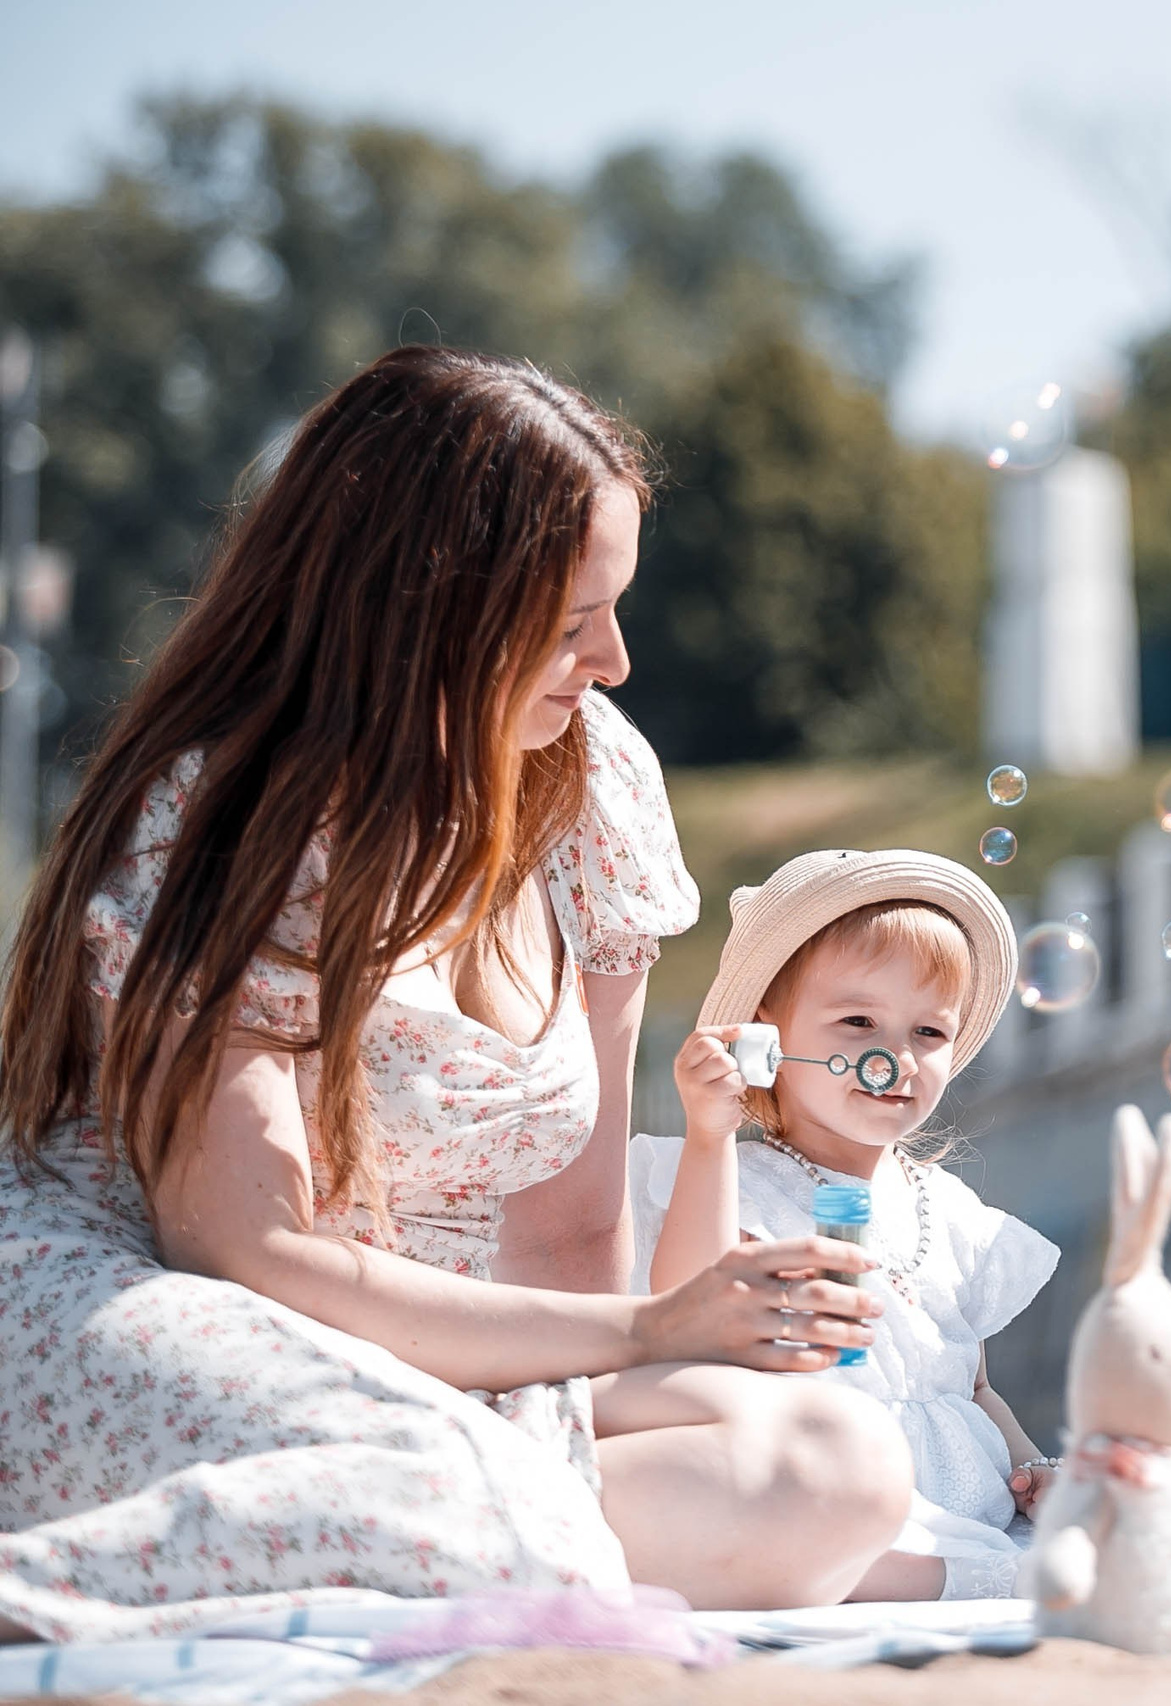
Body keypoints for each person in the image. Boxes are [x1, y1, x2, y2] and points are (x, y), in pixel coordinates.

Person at [0, 348, 912, 1644]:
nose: (615, 658)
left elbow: (564, 1233)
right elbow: (246, 1250)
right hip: (163, 1313)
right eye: (570, 619)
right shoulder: (226, 817)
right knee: (488, 1518)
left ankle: (480, 1531)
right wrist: (653, 1327)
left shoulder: (590, 784)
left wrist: (647, 1338)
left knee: (841, 1462)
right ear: (430, 603)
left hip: (443, 1352)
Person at [631, 848, 1060, 1602]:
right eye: (858, 1020)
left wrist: (1037, 1471)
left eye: (928, 1033)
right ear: (767, 1036)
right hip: (831, 1487)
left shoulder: (952, 1211)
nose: (893, 1056)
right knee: (803, 1539)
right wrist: (707, 1137)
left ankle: (973, 1571)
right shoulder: (733, 1181)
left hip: (970, 1505)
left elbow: (977, 1384)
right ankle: (940, 1580)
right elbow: (686, 1300)